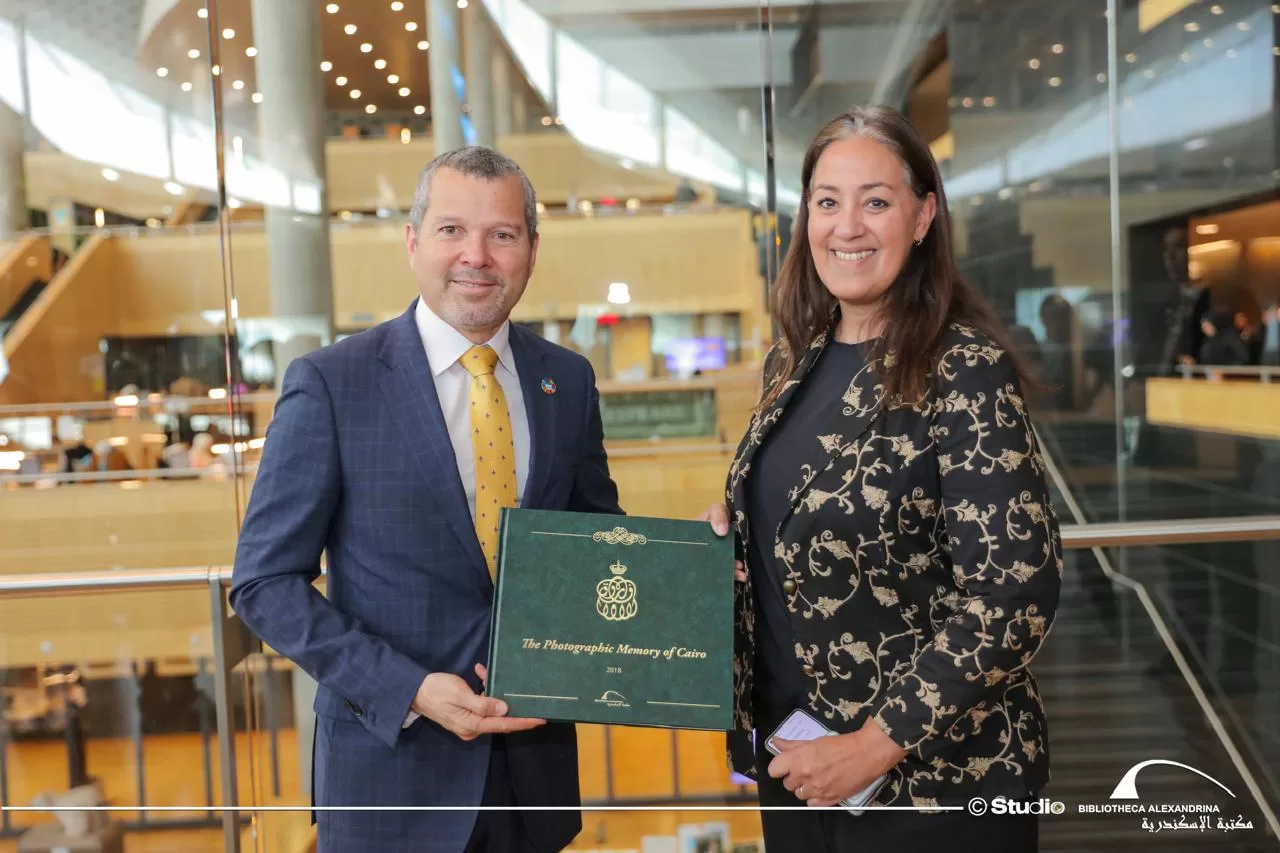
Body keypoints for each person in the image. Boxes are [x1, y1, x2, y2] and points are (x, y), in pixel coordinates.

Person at [230, 147, 622, 852]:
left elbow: (596, 543)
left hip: (529, 785)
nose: (477, 255)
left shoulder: (567, 381)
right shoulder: (332, 383)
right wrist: (408, 688)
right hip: (389, 782)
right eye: (451, 230)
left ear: (532, 250)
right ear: (413, 241)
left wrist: (690, 560)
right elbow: (264, 582)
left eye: (502, 234)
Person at [700, 106, 1062, 852]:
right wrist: (732, 539)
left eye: (875, 202)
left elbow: (1013, 594)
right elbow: (801, 524)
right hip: (796, 760)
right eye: (827, 202)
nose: (847, 226)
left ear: (923, 216)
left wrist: (873, 745)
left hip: (932, 785)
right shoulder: (790, 362)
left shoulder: (963, 368)